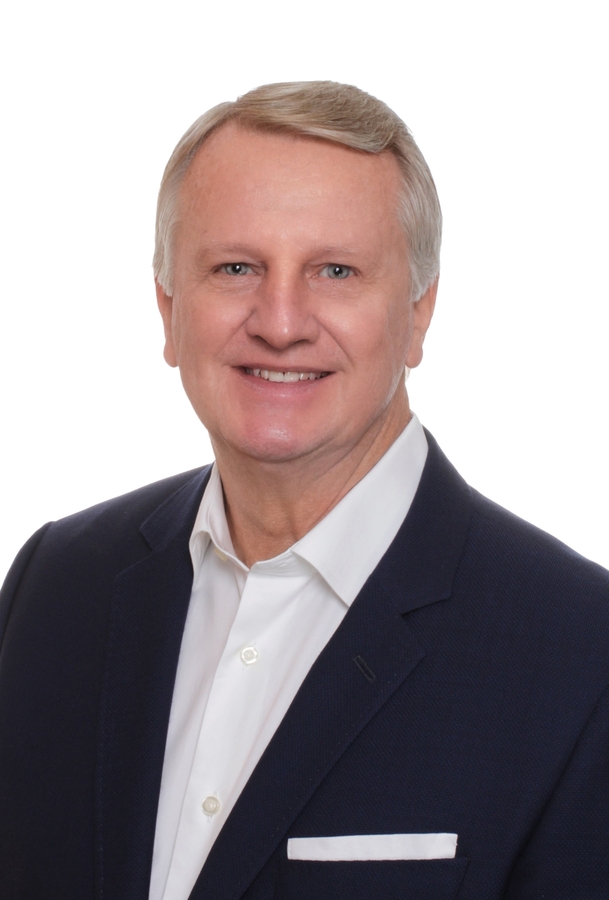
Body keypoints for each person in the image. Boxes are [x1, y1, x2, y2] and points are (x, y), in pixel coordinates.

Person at [1, 81, 608, 900]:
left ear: (419, 312)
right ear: (168, 308)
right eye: (235, 267)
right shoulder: (54, 587)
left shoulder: (579, 653)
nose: (280, 321)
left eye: (335, 270)